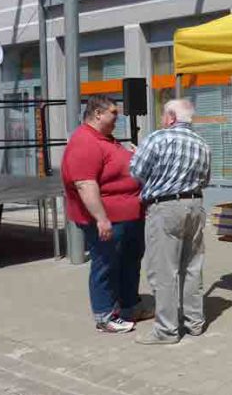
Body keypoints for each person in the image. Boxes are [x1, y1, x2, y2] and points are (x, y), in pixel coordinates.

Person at [61, 94, 148, 334]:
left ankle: (130, 306)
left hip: (130, 216)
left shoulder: (106, 139)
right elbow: (85, 184)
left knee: (130, 262)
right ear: (97, 113)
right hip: (108, 218)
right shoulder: (85, 142)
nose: (117, 119)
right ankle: (105, 315)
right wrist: (101, 219)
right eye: (114, 113)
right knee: (106, 265)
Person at [130, 99, 211, 345]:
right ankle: (195, 323)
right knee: (192, 267)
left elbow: (136, 171)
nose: (163, 118)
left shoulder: (158, 138)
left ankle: (166, 331)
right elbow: (206, 180)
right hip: (195, 205)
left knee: (164, 271)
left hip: (165, 207)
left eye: (164, 114)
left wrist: (140, 156)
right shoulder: (203, 144)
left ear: (172, 117)